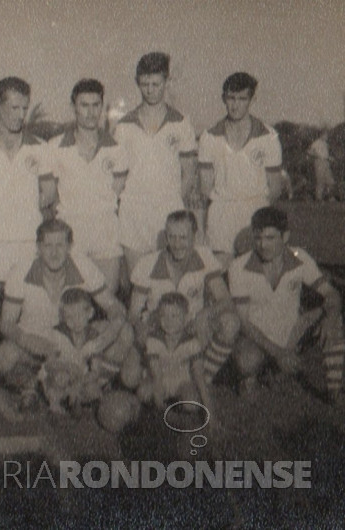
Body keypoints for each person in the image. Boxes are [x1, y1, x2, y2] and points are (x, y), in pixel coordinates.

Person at [0, 219, 137, 414]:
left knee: (124, 331)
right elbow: (6, 323)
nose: (54, 252)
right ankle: (34, 387)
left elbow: (114, 306)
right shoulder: (21, 270)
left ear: (69, 246)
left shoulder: (82, 265)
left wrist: (108, 334)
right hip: (39, 345)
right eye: (48, 245)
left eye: (60, 245)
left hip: (76, 345)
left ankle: (89, 386)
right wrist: (26, 339)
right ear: (38, 247)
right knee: (5, 356)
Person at [228, 207, 345, 404]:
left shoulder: (300, 256)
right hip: (257, 337)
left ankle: (334, 392)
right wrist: (279, 354)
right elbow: (244, 323)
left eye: (270, 238)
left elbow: (331, 293)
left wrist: (331, 318)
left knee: (333, 317)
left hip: (292, 332)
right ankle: (253, 377)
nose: (263, 245)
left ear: (285, 236)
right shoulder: (239, 266)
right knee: (246, 362)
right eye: (258, 238)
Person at [129, 210, 240, 385]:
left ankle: (202, 379)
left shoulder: (204, 256)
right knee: (130, 379)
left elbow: (225, 300)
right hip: (159, 328)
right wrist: (141, 328)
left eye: (183, 237)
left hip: (192, 327)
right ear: (166, 237)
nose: (177, 244)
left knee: (230, 322)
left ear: (195, 236)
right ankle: (163, 376)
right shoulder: (147, 263)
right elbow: (133, 313)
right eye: (172, 237)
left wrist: (206, 314)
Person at [0, 77, 58, 283]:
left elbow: (49, 192)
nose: (21, 115)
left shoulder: (40, 147)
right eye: (14, 107)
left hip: (28, 241)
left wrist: (24, 210)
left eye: (24, 108)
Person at [114, 52, 197, 273]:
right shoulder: (123, 126)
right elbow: (118, 176)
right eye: (145, 84)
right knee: (138, 279)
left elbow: (189, 173)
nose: (150, 90)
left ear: (167, 82)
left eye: (156, 84)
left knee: (168, 279)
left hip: (167, 210)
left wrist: (174, 202)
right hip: (133, 212)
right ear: (137, 83)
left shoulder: (181, 124)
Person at [49, 79, 128, 294]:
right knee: (71, 306)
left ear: (102, 107)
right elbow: (52, 196)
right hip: (72, 238)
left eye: (96, 105)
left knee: (107, 304)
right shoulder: (55, 147)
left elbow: (117, 194)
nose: (91, 112)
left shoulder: (117, 149)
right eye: (84, 105)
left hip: (106, 237)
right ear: (73, 106)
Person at [199, 72, 283, 266]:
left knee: (253, 274)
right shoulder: (209, 137)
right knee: (220, 273)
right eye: (231, 98)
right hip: (221, 213)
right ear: (223, 98)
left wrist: (257, 212)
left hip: (254, 213)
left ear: (253, 99)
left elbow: (275, 189)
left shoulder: (268, 138)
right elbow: (205, 189)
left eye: (242, 99)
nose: (235, 105)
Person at [40, 288, 133, 415]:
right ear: (62, 317)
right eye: (69, 317)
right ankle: (55, 405)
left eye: (79, 315)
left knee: (93, 390)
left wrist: (79, 383)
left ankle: (79, 403)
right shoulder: (57, 334)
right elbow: (49, 364)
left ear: (90, 313)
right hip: (57, 378)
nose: (75, 322)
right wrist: (66, 368)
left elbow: (95, 371)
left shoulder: (93, 337)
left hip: (78, 378)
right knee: (61, 377)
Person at [136, 292, 214, 417]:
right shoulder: (153, 341)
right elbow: (157, 377)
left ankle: (178, 402)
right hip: (160, 380)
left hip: (182, 381)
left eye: (174, 316)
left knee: (192, 404)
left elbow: (200, 377)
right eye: (163, 316)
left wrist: (211, 416)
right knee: (143, 393)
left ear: (186, 318)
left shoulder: (192, 343)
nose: (168, 321)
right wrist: (162, 411)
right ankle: (161, 408)